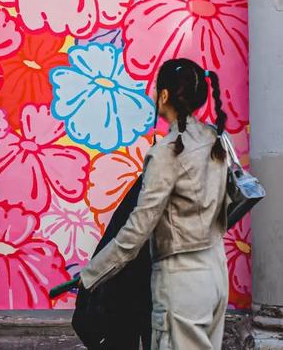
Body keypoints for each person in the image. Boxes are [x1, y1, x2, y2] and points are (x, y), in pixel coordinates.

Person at [79, 58, 229, 350]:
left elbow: (137, 229)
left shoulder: (165, 153)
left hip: (181, 278)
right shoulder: (215, 140)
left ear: (164, 95)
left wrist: (91, 275)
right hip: (215, 272)